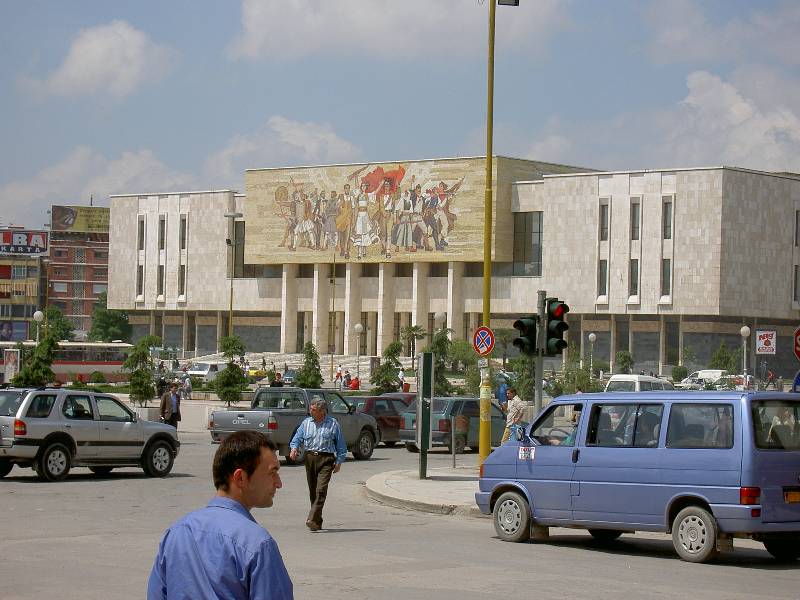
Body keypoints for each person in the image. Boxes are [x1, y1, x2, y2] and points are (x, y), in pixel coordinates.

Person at [148, 431, 293, 600]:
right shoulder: (257, 544)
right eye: (272, 473)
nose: (278, 483)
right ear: (240, 478)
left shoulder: (176, 533)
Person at [289, 398, 347, 531]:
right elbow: (297, 438)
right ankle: (317, 521)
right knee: (313, 491)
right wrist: (294, 448)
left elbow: (341, 445)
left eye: (313, 409)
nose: (310, 411)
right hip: (310, 458)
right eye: (310, 408)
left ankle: (311, 518)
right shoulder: (306, 423)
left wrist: (339, 462)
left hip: (326, 459)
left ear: (322, 411)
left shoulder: (333, 424)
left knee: (321, 489)